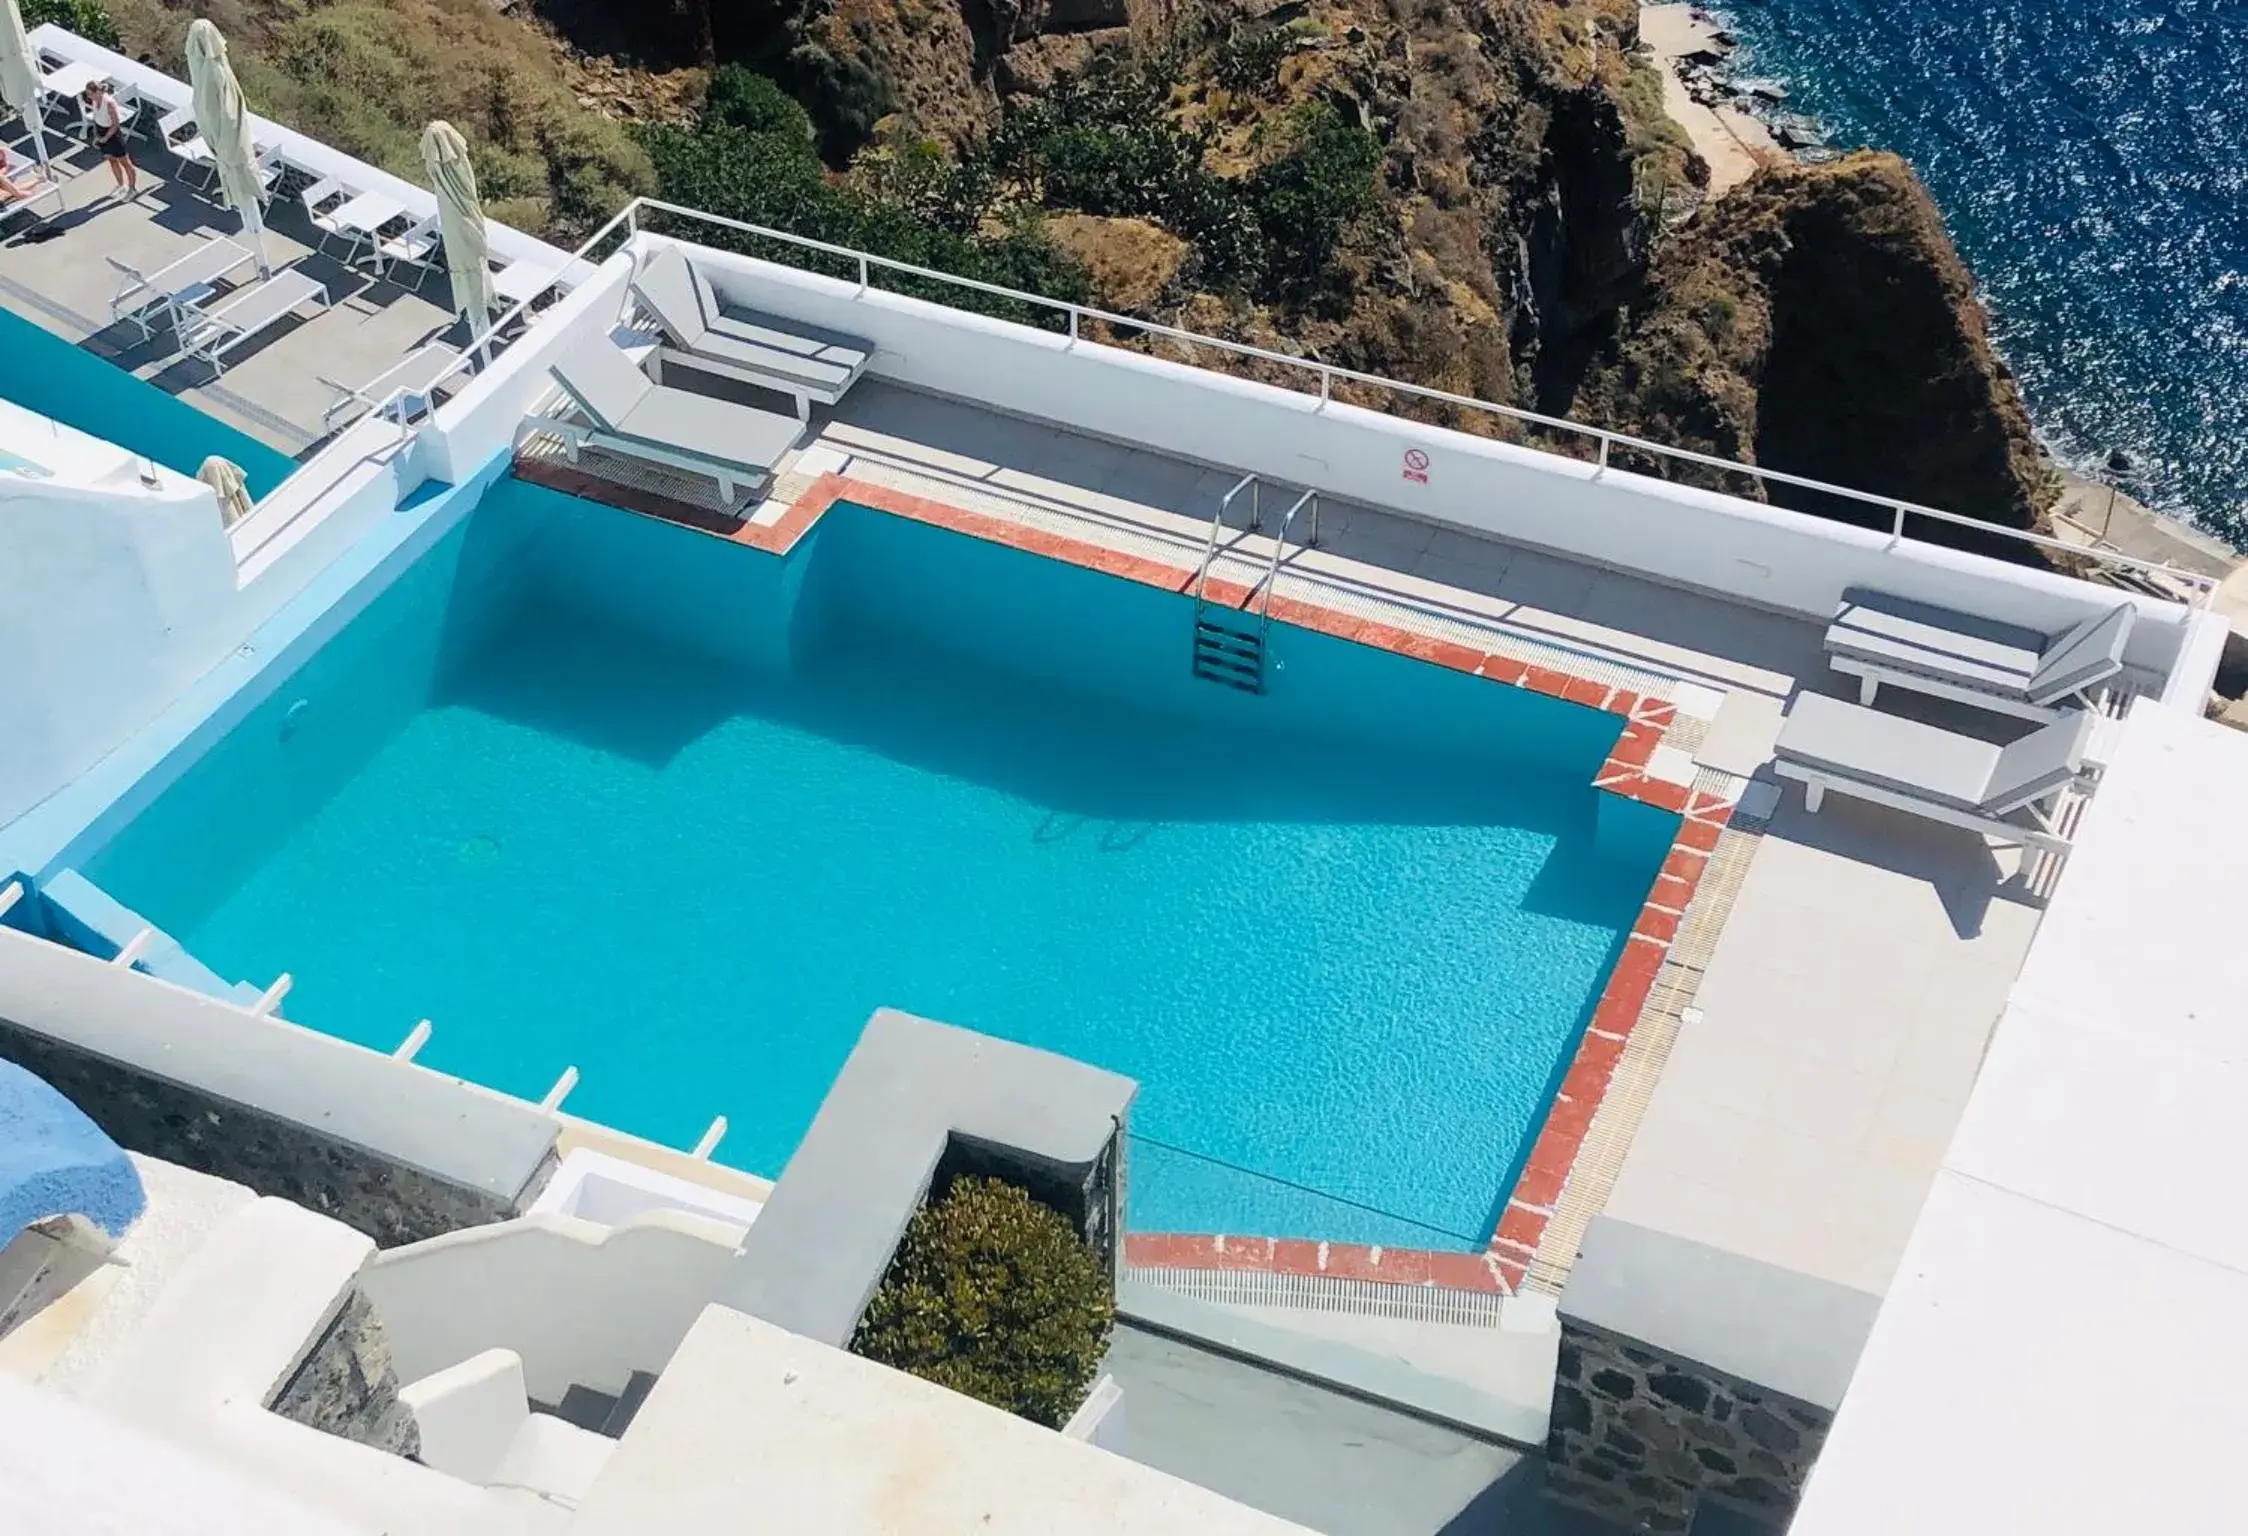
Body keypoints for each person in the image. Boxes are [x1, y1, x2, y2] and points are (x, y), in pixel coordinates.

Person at [81, 79, 137, 197]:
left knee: (125, 162)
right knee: (112, 160)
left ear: (98, 92)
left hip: (113, 135)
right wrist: (97, 136)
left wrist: (105, 138)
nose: (89, 97)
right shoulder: (95, 101)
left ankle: (132, 189)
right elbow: (96, 119)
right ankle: (121, 185)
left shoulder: (109, 103)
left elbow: (116, 124)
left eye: (90, 94)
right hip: (101, 132)